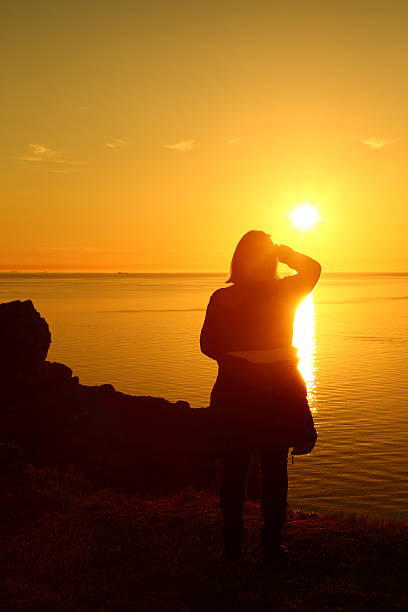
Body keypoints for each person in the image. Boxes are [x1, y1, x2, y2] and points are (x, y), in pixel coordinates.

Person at [200, 230, 321, 562]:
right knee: (272, 470)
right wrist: (286, 252)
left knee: (237, 471)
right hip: (276, 390)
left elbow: (208, 346)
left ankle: (233, 548)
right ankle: (268, 546)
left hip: (237, 390)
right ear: (270, 259)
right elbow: (313, 269)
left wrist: (242, 361)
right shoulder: (285, 292)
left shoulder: (224, 298)